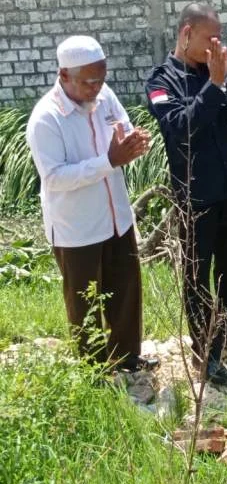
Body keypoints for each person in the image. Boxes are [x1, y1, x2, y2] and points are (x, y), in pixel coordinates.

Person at [26, 35, 158, 372]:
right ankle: (94, 370)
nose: (96, 88)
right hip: (76, 227)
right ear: (63, 76)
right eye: (88, 81)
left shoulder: (104, 94)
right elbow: (54, 177)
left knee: (126, 289)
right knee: (85, 302)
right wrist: (110, 160)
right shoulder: (46, 118)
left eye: (101, 78)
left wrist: (132, 141)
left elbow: (121, 126)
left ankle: (128, 359)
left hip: (116, 216)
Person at [145, 3, 227, 386]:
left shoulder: (215, 72)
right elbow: (180, 127)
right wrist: (214, 85)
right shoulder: (163, 80)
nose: (218, 44)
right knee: (199, 279)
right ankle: (205, 354)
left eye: (220, 37)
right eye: (211, 37)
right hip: (195, 199)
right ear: (186, 33)